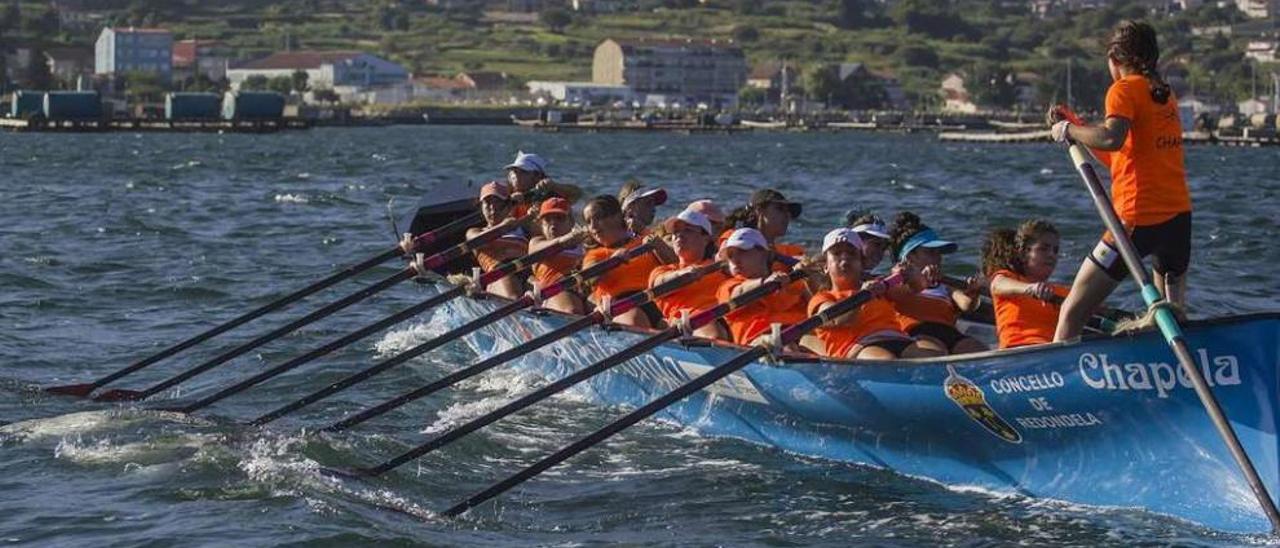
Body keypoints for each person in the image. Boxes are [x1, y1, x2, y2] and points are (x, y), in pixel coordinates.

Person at [1047, 20, 1192, 341]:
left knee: (1072, 311)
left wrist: (1067, 131)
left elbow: (1111, 138)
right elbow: (1119, 156)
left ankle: (1055, 378)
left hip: (1135, 222)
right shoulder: (1164, 95)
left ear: (1114, 59)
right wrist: (1078, 125)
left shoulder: (1123, 89)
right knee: (1169, 319)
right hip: (1178, 221)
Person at [809, 228, 938, 360]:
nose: (845, 258)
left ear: (861, 263)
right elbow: (839, 320)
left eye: (851, 253)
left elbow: (915, 287)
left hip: (898, 339)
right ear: (825, 266)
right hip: (857, 347)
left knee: (933, 354)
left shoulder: (879, 286)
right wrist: (862, 296)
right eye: (837, 253)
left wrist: (917, 276)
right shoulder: (821, 298)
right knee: (887, 360)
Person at [886, 212, 986, 355]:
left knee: (978, 350)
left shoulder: (944, 283)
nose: (938, 257)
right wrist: (922, 281)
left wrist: (973, 293)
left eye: (939, 252)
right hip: (916, 332)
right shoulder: (896, 279)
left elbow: (967, 305)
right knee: (935, 353)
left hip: (949, 332)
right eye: (931, 252)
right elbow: (897, 295)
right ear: (910, 257)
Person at [581, 195, 668, 328]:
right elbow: (590, 277)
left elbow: (674, 262)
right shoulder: (594, 255)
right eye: (588, 221)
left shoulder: (644, 241)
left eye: (598, 218)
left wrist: (648, 234)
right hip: (619, 304)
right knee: (636, 319)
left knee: (671, 323)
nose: (593, 226)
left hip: (654, 299)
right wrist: (612, 261)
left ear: (617, 216)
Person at [981, 221, 1070, 349]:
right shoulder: (1008, 279)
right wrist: (1029, 288)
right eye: (1043, 249)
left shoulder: (1059, 291)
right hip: (1017, 351)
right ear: (1023, 254)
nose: (1051, 255)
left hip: (1050, 351)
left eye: (1055, 250)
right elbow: (996, 285)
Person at [715, 228, 809, 348]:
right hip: (759, 343)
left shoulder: (788, 280)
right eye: (730, 255)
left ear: (765, 253)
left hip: (800, 335)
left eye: (742, 251)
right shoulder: (728, 286)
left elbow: (815, 299)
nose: (735, 260)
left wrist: (808, 273)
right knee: (785, 346)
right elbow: (739, 292)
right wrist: (763, 283)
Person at [648, 208, 730, 339]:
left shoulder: (721, 267)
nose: (679, 235)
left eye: (688, 230)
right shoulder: (662, 271)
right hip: (692, 323)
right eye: (676, 232)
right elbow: (659, 285)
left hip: (728, 316)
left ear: (706, 238)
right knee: (714, 333)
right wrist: (685, 274)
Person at [466, 181, 528, 300]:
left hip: (528, 274)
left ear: (509, 206)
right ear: (481, 206)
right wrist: (503, 227)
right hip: (499, 274)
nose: (493, 209)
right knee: (513, 293)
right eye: (488, 203)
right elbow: (478, 240)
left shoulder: (524, 227)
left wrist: (527, 199)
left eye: (498, 203)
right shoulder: (474, 232)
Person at [528, 197, 588, 315]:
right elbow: (537, 251)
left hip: (583, 291)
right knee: (572, 310)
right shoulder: (536, 242)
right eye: (547, 220)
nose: (553, 224)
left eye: (559, 218)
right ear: (541, 224)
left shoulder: (584, 245)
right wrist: (563, 240)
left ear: (571, 222)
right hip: (554, 291)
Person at [504, 151, 583, 214]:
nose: (517, 176)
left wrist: (555, 186)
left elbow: (577, 194)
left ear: (537, 175)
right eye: (514, 172)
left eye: (523, 172)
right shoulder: (504, 194)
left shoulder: (548, 196)